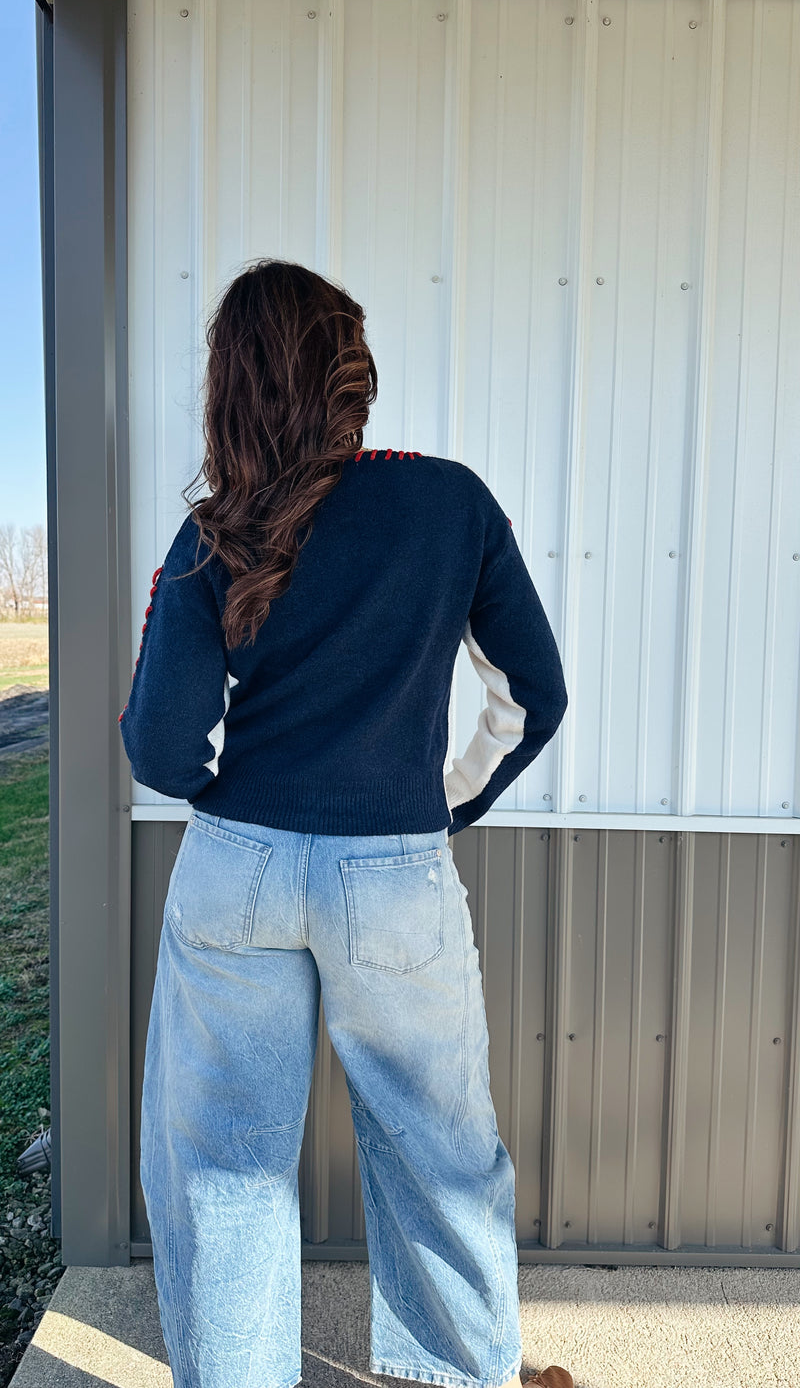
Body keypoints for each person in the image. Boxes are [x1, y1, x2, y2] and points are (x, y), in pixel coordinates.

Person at [119, 259, 571, 1388]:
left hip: (237, 872)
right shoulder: (450, 501)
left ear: (234, 383)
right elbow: (533, 695)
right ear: (350, 372)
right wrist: (444, 799)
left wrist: (233, 801)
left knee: (225, 1170)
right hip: (396, 880)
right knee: (442, 1160)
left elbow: (159, 743)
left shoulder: (214, 530)